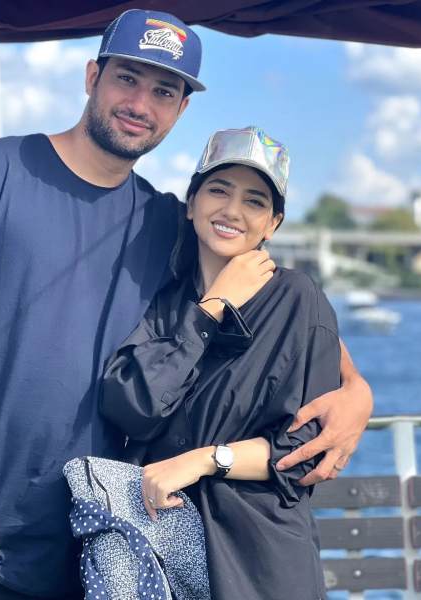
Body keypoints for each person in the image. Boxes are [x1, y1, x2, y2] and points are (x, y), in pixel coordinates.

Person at [0, 9, 372, 600]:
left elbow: (299, 328)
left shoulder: (166, 223)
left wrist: (357, 392)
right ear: (92, 76)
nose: (140, 103)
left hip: (90, 551)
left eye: (163, 91)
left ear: (180, 110)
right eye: (127, 78)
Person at [100, 126, 339, 600]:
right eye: (218, 190)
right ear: (191, 204)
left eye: (254, 201)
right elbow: (131, 408)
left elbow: (305, 450)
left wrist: (204, 460)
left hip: (259, 558)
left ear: (272, 224)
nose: (232, 210)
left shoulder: (296, 298)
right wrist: (211, 308)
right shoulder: (163, 302)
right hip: (159, 551)